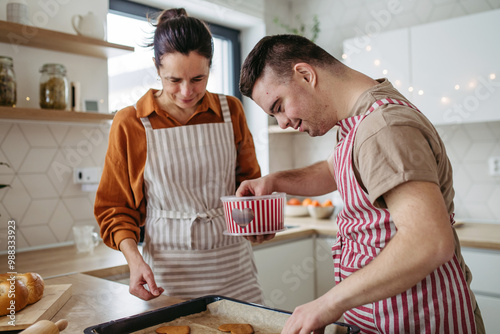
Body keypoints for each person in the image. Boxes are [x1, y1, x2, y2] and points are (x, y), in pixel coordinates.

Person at [237, 34, 485, 334]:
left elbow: (430, 241)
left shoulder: (383, 127)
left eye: (278, 106)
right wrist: (274, 181)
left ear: (305, 74)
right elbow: (335, 169)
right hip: (386, 317)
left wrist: (327, 304)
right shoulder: (357, 121)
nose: (282, 123)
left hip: (420, 318)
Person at [94, 8, 263, 304]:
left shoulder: (230, 111)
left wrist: (257, 222)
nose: (187, 92)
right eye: (174, 80)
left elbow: (249, 185)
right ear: (157, 67)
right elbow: (115, 209)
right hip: (168, 274)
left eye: (198, 78)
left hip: (233, 266)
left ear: (211, 66)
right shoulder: (131, 122)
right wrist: (134, 261)